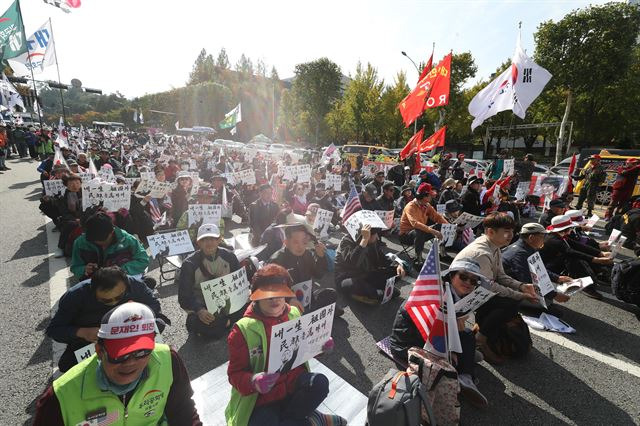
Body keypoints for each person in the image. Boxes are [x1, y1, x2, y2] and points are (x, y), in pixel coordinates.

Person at [35, 302, 201, 425]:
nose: (130, 363)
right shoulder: (59, 397)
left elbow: (183, 410)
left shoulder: (168, 360)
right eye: (120, 355)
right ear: (99, 351)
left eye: (141, 352)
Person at [225, 264, 344, 426]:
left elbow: (303, 347)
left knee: (320, 383)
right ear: (256, 296)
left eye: (280, 294)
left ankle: (298, 419)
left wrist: (321, 346)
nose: (275, 300)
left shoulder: (294, 313)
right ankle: (314, 420)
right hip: (262, 398)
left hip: (293, 383)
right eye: (268, 295)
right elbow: (234, 374)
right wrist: (253, 381)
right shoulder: (243, 330)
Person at [389, 258, 492, 407]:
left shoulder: (455, 293)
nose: (468, 283)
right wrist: (450, 351)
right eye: (463, 277)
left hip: (428, 335)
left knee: (468, 335)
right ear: (451, 276)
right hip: (408, 343)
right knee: (459, 346)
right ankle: (462, 372)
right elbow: (432, 332)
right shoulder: (437, 295)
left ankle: (464, 371)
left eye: (473, 281)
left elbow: (449, 327)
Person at [453, 212, 538, 363]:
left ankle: (482, 330)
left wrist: (522, 286)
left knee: (510, 299)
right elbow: (490, 286)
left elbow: (500, 275)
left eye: (512, 231)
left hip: (477, 289)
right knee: (510, 302)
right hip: (461, 295)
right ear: (490, 232)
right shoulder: (482, 253)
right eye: (506, 231)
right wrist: (520, 295)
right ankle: (480, 339)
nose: (511, 235)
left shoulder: (494, 245)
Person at [46, 266, 164, 372]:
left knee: (159, 323)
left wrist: (139, 311)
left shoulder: (135, 284)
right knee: (66, 365)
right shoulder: (75, 295)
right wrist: (82, 332)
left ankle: (136, 353)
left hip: (129, 333)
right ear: (92, 290)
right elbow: (54, 330)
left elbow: (154, 305)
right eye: (105, 300)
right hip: (94, 340)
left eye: (119, 297)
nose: (113, 303)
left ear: (126, 285)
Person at [178, 223, 243, 339]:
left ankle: (224, 323)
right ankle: (229, 323)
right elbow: (184, 296)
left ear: (219, 240)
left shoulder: (230, 257)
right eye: (204, 239)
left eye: (213, 238)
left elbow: (239, 281)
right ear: (198, 242)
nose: (209, 243)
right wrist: (199, 310)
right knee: (196, 323)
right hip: (203, 305)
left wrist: (243, 293)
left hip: (227, 302)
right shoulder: (189, 264)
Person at [269, 224, 338, 313]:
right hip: (287, 302)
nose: (301, 246)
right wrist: (289, 299)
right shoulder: (277, 260)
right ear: (286, 242)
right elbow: (271, 289)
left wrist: (321, 257)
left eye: (304, 242)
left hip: (307, 297)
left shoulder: (308, 254)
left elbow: (318, 275)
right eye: (296, 242)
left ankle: (316, 312)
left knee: (331, 294)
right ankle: (321, 312)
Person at [539, 215, 611, 299]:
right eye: (569, 228)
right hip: (547, 267)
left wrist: (600, 253)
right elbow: (570, 252)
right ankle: (586, 287)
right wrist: (595, 259)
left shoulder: (558, 235)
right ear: (564, 229)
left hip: (555, 261)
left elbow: (577, 245)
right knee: (573, 258)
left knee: (582, 253)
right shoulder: (553, 240)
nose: (571, 229)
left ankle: (598, 274)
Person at [502, 223, 573, 308]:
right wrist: (554, 295)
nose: (544, 240)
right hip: (508, 288)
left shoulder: (528, 247)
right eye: (542, 237)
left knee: (549, 292)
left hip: (518, 283)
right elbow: (528, 280)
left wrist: (557, 278)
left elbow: (539, 269)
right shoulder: (520, 253)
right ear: (531, 238)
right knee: (549, 306)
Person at [335, 224, 405, 304]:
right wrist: (364, 241)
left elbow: (382, 259)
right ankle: (373, 293)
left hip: (365, 274)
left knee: (396, 272)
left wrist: (397, 265)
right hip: (347, 277)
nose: (377, 238)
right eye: (375, 235)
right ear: (366, 234)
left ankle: (372, 291)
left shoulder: (373, 242)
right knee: (353, 285)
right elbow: (354, 262)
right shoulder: (346, 241)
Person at [70, 211, 150, 280]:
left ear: (112, 231)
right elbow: (75, 267)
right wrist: (84, 270)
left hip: (121, 279)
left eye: (104, 240)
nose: (101, 244)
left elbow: (143, 260)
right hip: (94, 282)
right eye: (95, 242)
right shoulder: (80, 243)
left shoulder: (127, 239)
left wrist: (120, 270)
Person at [399, 183, 446, 263]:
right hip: (406, 235)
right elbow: (415, 224)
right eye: (429, 195)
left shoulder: (427, 205)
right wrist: (433, 231)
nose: (431, 197)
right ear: (423, 196)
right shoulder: (410, 207)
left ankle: (442, 253)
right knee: (419, 231)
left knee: (442, 226)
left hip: (421, 231)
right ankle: (418, 258)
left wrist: (450, 226)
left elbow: (437, 217)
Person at [54, 173, 83, 257]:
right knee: (69, 224)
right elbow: (64, 212)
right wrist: (75, 219)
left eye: (77, 183)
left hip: (85, 217)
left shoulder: (87, 192)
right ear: (66, 185)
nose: (75, 186)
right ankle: (60, 247)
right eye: (71, 184)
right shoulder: (63, 197)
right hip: (71, 219)